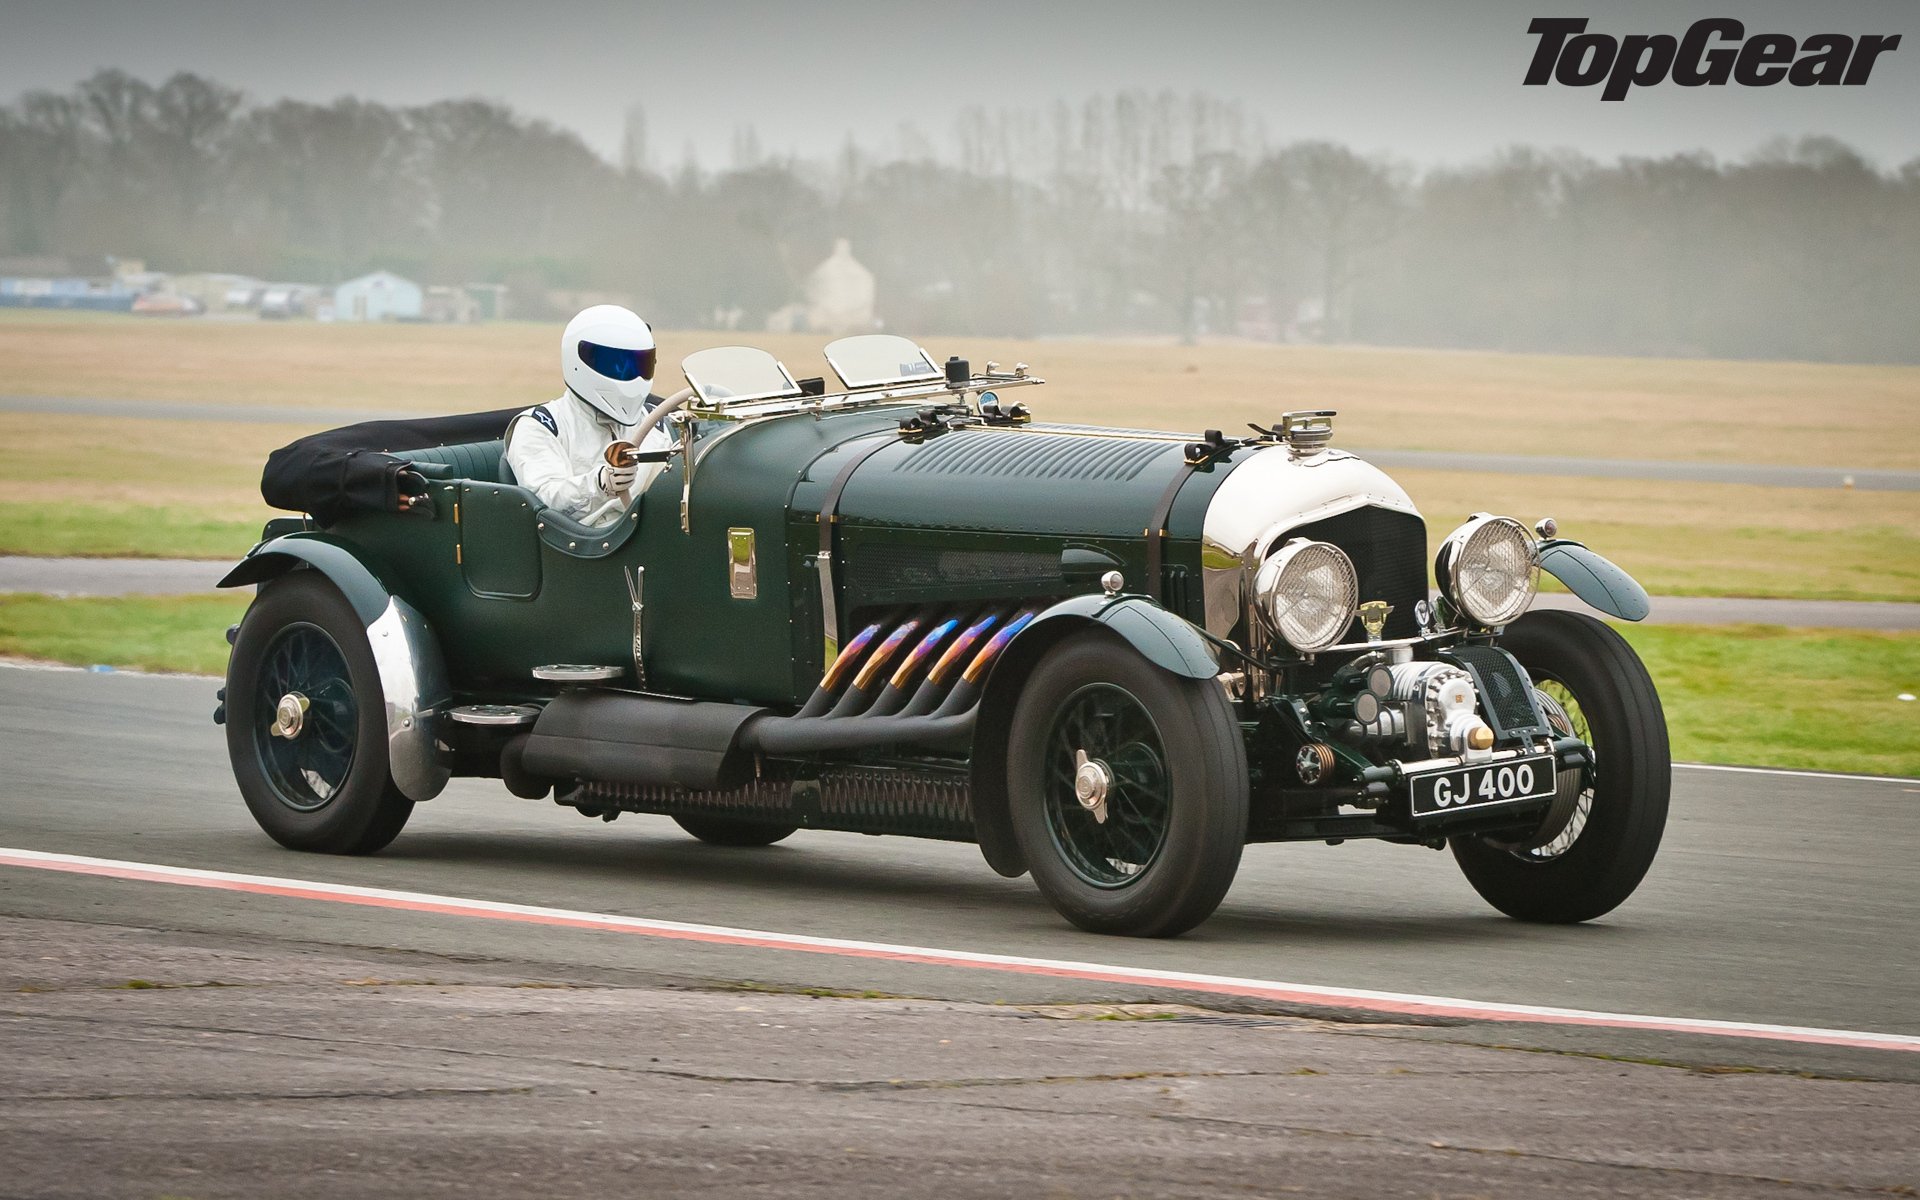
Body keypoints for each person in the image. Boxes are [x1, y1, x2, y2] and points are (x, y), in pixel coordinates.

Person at [505, 305, 673, 526]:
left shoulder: (653, 421)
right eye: (619, 365)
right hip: (586, 548)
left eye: (640, 364)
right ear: (580, 360)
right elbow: (546, 499)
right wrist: (601, 483)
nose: (632, 376)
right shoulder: (542, 425)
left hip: (652, 535)